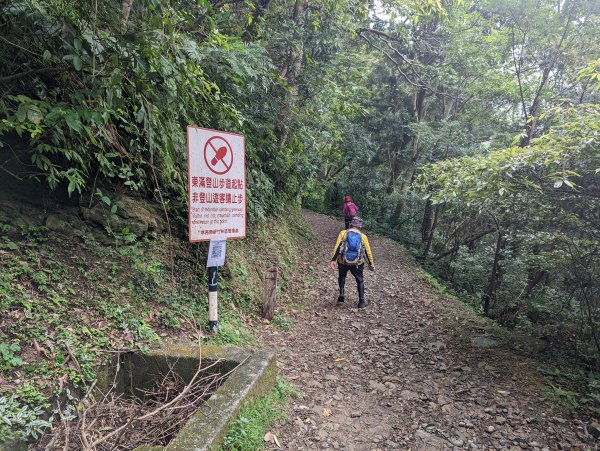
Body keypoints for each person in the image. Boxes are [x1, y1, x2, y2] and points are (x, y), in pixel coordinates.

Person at [330, 217, 375, 309]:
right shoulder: (363, 236)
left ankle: (341, 296)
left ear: (351, 225)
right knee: (360, 280)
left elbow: (337, 247)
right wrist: (371, 264)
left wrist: (333, 260)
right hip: (357, 263)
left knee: (342, 276)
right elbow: (368, 251)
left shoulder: (343, 233)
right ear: (360, 227)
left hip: (343, 261)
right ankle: (361, 301)